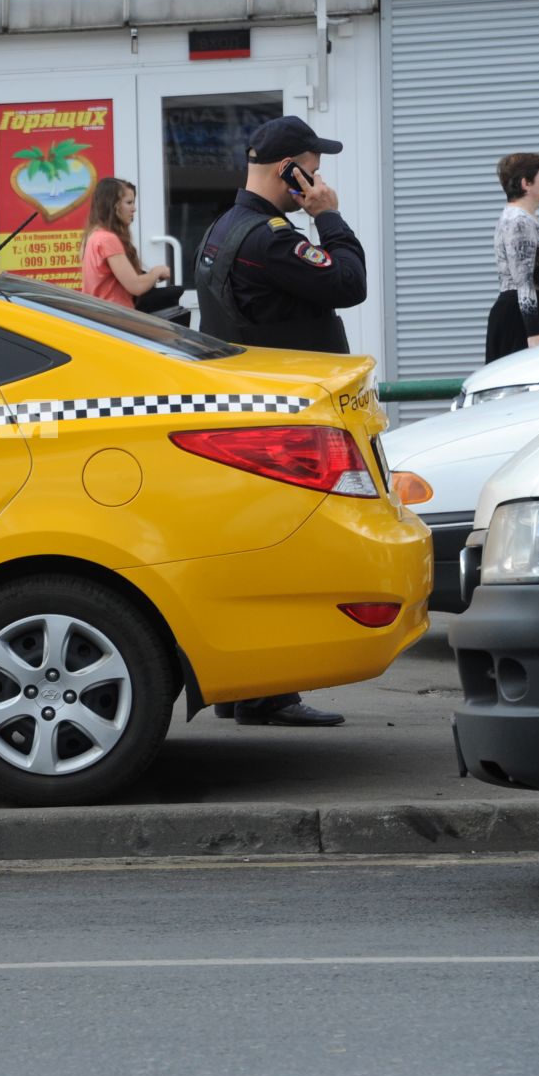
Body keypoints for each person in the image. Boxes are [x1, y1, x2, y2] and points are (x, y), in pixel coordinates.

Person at [194, 115, 363, 729]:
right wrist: (329, 217)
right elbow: (350, 283)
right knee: (287, 557)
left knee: (256, 554)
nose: (320, 177)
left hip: (253, 418)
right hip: (287, 422)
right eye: (313, 167)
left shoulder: (222, 227)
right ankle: (269, 692)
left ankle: (250, 690)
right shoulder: (269, 238)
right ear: (288, 169)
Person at [486, 153, 539, 363]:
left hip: (536, 316)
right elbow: (523, 280)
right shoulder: (518, 222)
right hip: (522, 324)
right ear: (526, 183)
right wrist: (534, 332)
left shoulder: (525, 219)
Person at [79, 178, 171, 309]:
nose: (134, 209)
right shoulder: (108, 239)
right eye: (129, 202)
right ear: (112, 205)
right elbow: (136, 286)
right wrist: (157, 272)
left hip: (100, 314)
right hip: (116, 316)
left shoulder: (93, 235)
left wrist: (150, 278)